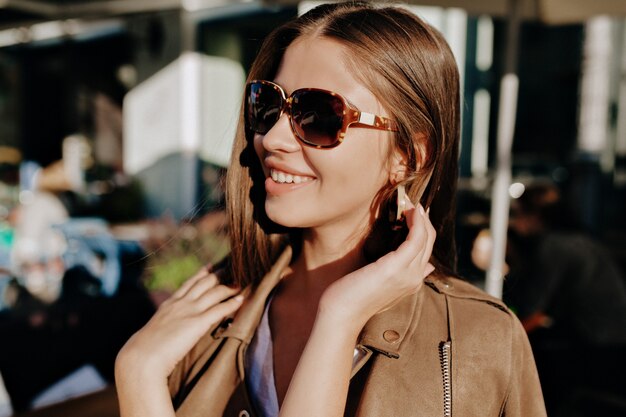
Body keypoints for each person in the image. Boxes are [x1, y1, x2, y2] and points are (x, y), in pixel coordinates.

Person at [115, 2, 546, 416]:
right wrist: (138, 374)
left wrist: (339, 316)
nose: (273, 138)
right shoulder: (204, 325)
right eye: (268, 104)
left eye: (318, 115)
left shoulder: (476, 342)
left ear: (409, 156)